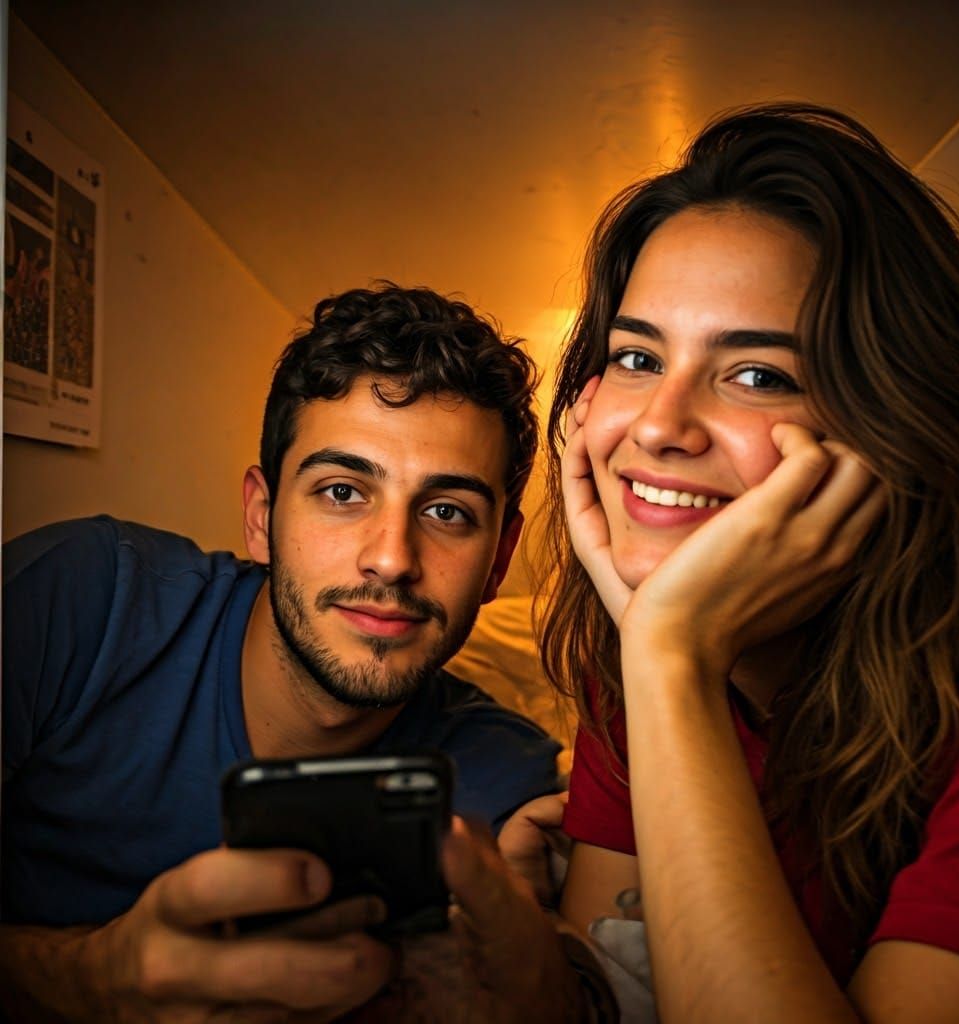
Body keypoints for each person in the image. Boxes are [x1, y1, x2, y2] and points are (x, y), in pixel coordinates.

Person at [538, 103, 959, 1021]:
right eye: (637, 356)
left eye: (758, 375)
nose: (656, 426)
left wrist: (671, 659)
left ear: (893, 428)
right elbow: (619, 987)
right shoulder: (644, 645)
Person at [0, 283, 577, 1021]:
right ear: (261, 514)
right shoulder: (79, 599)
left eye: (446, 512)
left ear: (499, 560)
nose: (392, 559)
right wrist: (90, 980)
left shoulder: (509, 796)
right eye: (342, 492)